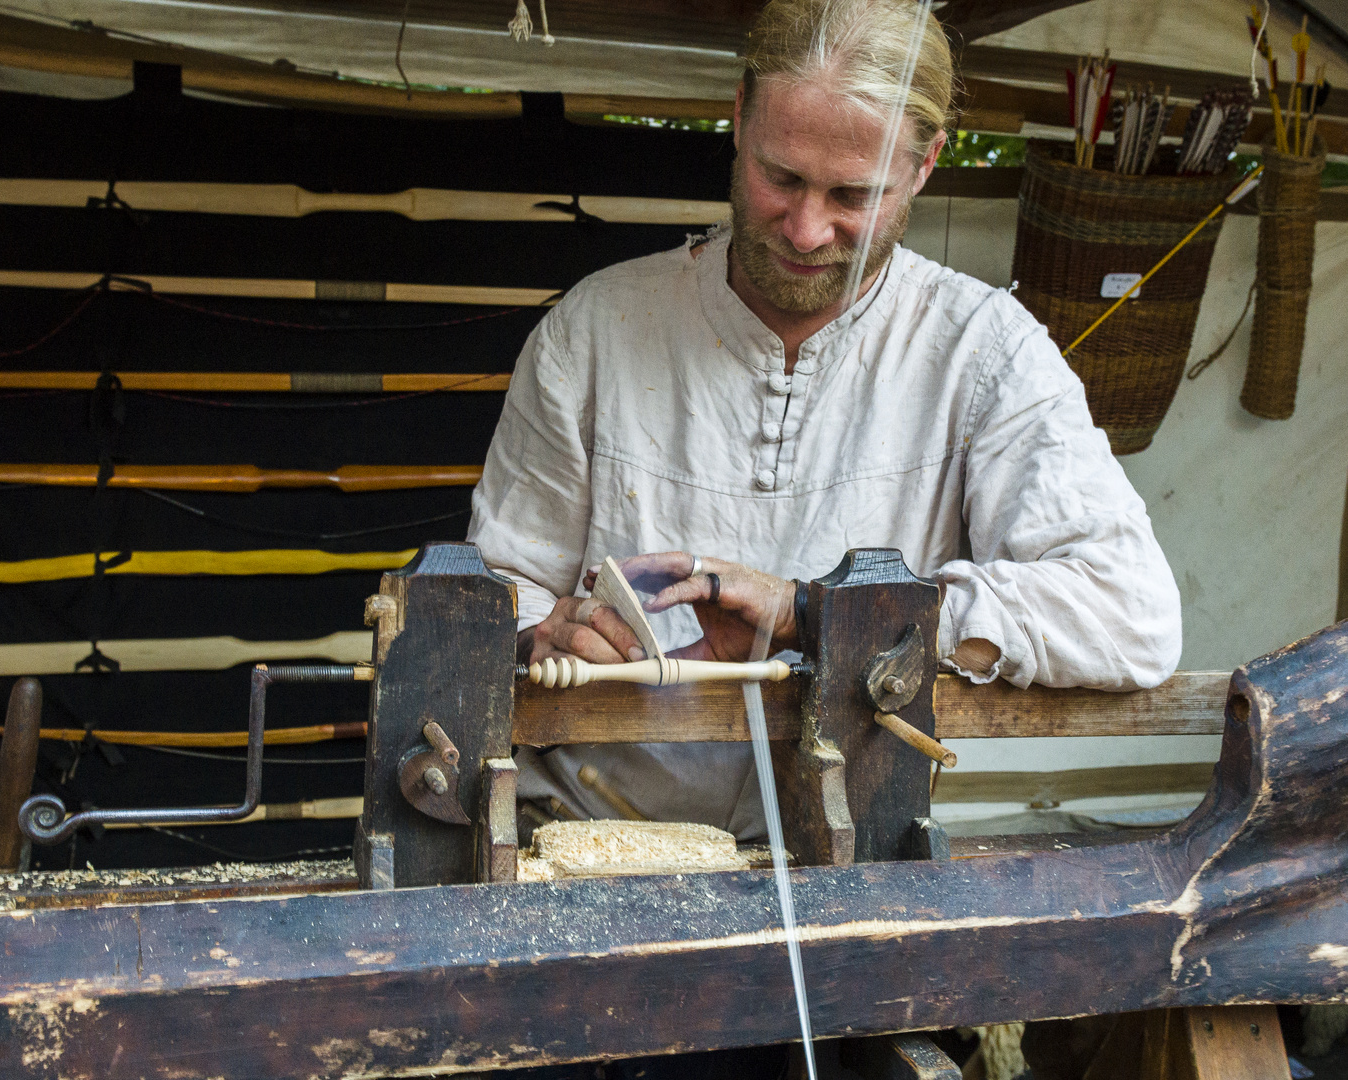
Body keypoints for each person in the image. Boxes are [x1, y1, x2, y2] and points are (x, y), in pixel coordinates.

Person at [465, 0, 1181, 837]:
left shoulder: (984, 354)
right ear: (738, 116)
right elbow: (492, 592)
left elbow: (1131, 615)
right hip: (588, 844)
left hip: (851, 857)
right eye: (782, 177)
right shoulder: (596, 330)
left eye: (853, 194)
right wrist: (538, 639)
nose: (806, 230)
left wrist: (818, 612)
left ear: (924, 166)